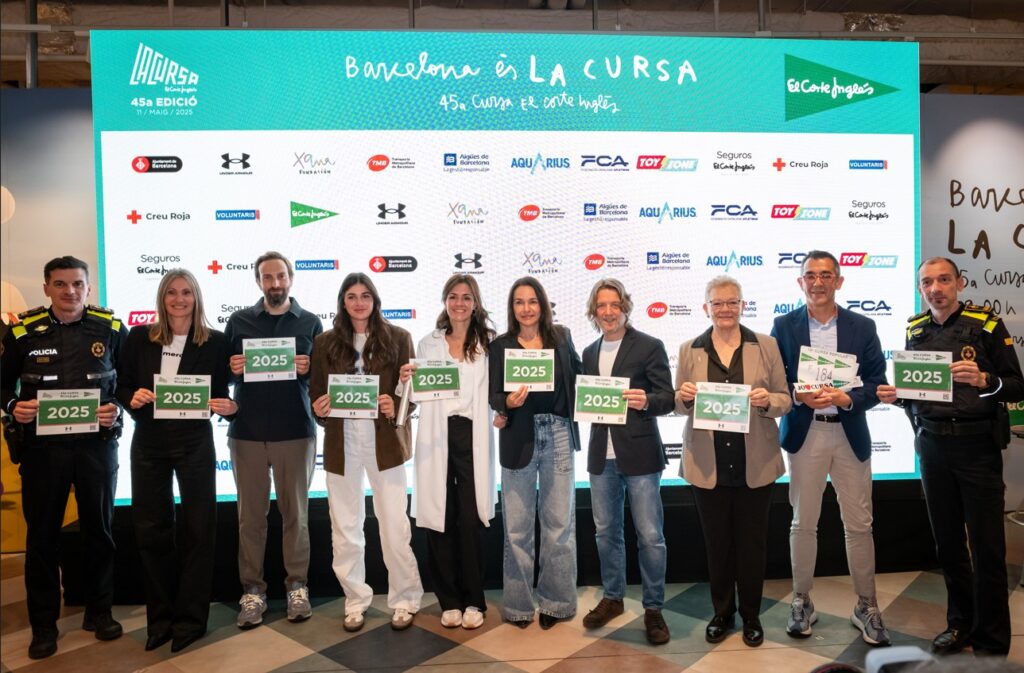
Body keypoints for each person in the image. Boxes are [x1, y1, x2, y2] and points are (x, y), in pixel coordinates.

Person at [877, 257, 1022, 657]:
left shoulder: (986, 324)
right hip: (932, 447)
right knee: (948, 545)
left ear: (959, 283)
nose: (935, 288)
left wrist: (986, 380)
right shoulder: (916, 329)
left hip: (977, 449)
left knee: (988, 547)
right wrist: (898, 396)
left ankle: (991, 639)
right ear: (919, 288)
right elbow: (918, 393)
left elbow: (1017, 386)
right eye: (927, 282)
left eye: (943, 280)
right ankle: (960, 624)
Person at [0, 256, 127, 660]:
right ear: (46, 288)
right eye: (60, 284)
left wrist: (117, 408)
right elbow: (2, 385)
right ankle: (43, 626)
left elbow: (130, 383)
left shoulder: (111, 329)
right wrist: (13, 406)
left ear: (88, 287)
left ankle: (99, 612)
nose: (69, 291)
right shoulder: (22, 331)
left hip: (96, 449)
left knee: (99, 532)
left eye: (77, 284)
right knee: (42, 539)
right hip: (43, 453)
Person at [771, 250, 892, 646]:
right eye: (811, 275)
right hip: (806, 434)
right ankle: (801, 601)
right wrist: (798, 395)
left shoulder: (863, 325)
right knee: (802, 522)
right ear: (800, 282)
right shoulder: (784, 325)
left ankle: (866, 605)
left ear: (839, 281)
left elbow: (876, 382)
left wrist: (848, 398)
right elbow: (776, 380)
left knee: (859, 525)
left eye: (826, 275)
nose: (818, 282)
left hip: (848, 432)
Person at [116, 269, 236, 652]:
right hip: (148, 442)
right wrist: (130, 398)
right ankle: (161, 620)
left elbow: (223, 392)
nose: (179, 299)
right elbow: (120, 384)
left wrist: (230, 408)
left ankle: (191, 620)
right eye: (171, 292)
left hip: (195, 442)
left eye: (186, 292)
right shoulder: (139, 337)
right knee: (151, 529)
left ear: (196, 297)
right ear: (161, 298)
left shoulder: (216, 342)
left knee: (199, 529)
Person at [674, 275, 791, 647]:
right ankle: (722, 613)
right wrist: (684, 396)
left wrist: (767, 401)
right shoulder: (689, 349)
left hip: (754, 463)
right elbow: (677, 404)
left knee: (752, 545)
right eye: (718, 303)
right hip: (707, 465)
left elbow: (785, 399)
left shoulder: (766, 345)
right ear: (706, 307)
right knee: (718, 544)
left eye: (732, 302)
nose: (725, 309)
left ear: (743, 305)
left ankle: (752, 616)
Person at [309, 273, 423, 632]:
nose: (359, 303)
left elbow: (412, 394)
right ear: (343, 302)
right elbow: (316, 396)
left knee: (394, 525)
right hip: (341, 444)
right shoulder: (324, 342)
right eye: (352, 296)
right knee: (345, 527)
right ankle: (355, 600)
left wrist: (395, 405)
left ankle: (405, 598)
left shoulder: (399, 338)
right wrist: (320, 408)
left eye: (365, 296)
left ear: (375, 300)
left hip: (384, 444)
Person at [224, 252, 323, 628]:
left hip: (295, 431)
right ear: (258, 281)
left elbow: (323, 379)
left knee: (296, 516)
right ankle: (253, 592)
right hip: (247, 433)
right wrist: (232, 369)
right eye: (268, 277)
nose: (275, 283)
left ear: (291, 278)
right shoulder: (239, 321)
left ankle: (297, 587)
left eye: (280, 276)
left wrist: (310, 370)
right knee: (250, 518)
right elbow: (223, 377)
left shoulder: (310, 322)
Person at [578, 278, 674, 645]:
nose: (608, 312)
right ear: (594, 312)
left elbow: (667, 397)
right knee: (606, 533)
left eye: (614, 305)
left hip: (640, 454)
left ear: (625, 307)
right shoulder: (588, 352)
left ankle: (654, 608)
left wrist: (646, 400)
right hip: (601, 457)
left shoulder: (650, 346)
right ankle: (613, 598)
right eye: (601, 306)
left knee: (650, 536)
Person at [399, 274, 497, 630]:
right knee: (439, 518)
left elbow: (497, 391)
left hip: (473, 435)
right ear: (445, 301)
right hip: (437, 436)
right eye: (453, 296)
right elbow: (415, 394)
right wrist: (406, 380)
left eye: (466, 297)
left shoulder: (489, 343)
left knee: (470, 519)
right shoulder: (428, 344)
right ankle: (449, 601)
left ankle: (474, 600)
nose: (459, 303)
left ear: (475, 303)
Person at [488, 276, 582, 629]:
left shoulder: (562, 337)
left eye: (532, 301)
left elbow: (579, 377)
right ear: (511, 308)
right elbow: (494, 393)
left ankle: (557, 603)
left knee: (559, 525)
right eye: (519, 302)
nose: (526, 308)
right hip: (518, 435)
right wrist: (506, 404)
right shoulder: (500, 346)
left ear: (542, 305)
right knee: (517, 528)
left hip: (558, 432)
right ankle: (519, 606)